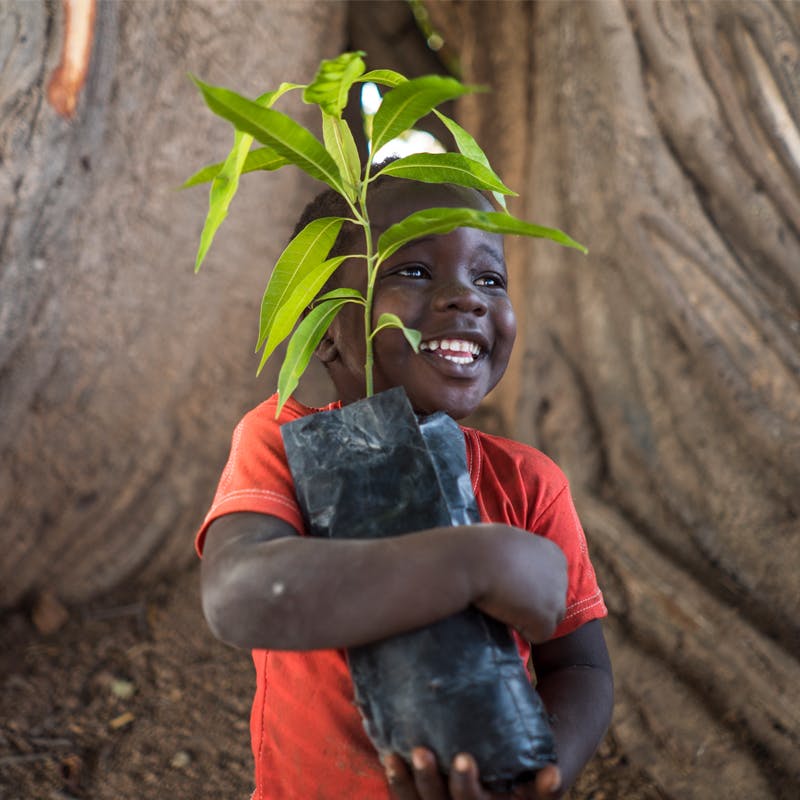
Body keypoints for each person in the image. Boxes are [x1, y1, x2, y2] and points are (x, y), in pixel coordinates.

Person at [196, 178, 613, 800]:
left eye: (490, 280)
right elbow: (240, 594)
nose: (466, 298)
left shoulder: (528, 483)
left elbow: (579, 666)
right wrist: (474, 563)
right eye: (414, 270)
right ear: (324, 324)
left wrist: (539, 775)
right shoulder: (281, 440)